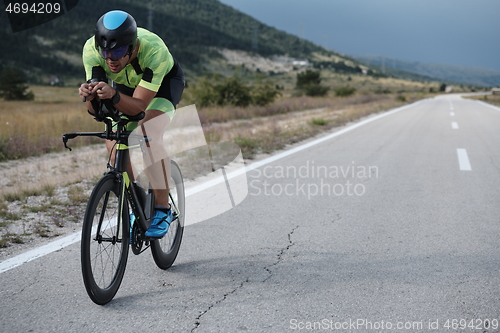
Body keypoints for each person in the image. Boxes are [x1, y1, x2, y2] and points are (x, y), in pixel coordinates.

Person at [78, 10, 185, 238]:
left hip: (163, 85)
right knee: (114, 143)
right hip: (126, 88)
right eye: (105, 51)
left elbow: (138, 107)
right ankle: (137, 199)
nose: (110, 58)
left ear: (132, 47)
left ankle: (162, 209)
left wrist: (114, 96)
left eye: (117, 51)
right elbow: (97, 112)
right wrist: (89, 96)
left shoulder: (154, 50)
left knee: (148, 134)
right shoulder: (92, 50)